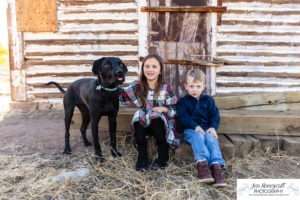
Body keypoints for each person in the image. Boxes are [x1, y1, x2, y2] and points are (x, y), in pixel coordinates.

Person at [119, 54, 179, 171]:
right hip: (144, 118)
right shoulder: (137, 86)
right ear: (143, 69)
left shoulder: (166, 89)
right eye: (147, 66)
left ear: (160, 70)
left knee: (157, 122)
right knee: (138, 121)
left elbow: (175, 109)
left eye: (154, 67)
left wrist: (165, 109)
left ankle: (163, 158)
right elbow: (122, 95)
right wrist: (109, 84)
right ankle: (142, 158)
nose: (150, 69)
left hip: (159, 121)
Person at [177, 68, 226, 187]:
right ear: (186, 86)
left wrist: (213, 127)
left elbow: (215, 115)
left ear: (203, 87)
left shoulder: (208, 101)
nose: (195, 89)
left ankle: (216, 167)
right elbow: (183, 117)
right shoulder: (182, 102)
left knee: (211, 138)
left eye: (198, 86)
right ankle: (202, 165)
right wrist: (195, 126)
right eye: (191, 86)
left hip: (207, 128)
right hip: (191, 130)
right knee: (198, 136)